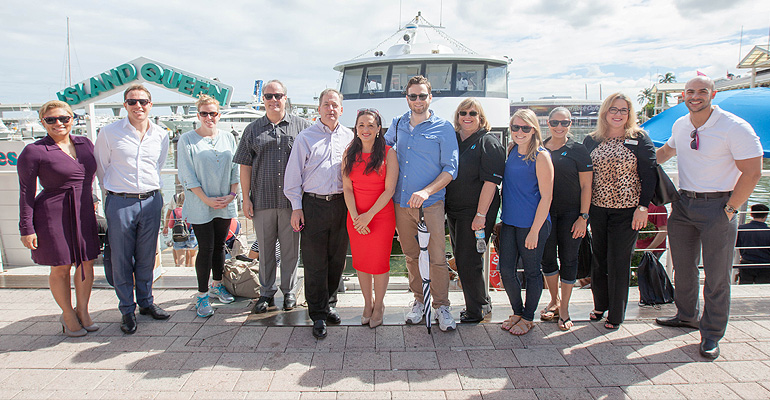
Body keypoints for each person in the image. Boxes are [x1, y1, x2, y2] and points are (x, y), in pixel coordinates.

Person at [656, 76, 763, 359]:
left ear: (712, 94)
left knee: (717, 275)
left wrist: (730, 210)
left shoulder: (734, 127)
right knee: (683, 267)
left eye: (702, 91)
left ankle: (712, 334)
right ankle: (686, 315)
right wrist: (634, 164)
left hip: (719, 207)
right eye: (690, 91)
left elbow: (753, 172)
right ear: (683, 95)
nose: (695, 96)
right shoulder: (681, 124)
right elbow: (666, 152)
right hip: (682, 205)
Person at [17, 100, 101, 337]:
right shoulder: (34, 151)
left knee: (86, 262)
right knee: (61, 265)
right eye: (51, 119)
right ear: (42, 122)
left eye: (64, 118)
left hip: (84, 209)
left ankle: (83, 310)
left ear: (72, 119)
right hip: (52, 212)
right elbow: (26, 191)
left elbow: (91, 176)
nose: (58, 123)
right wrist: (26, 227)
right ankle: (67, 314)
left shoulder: (85, 144)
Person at [384, 75, 459, 332]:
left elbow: (450, 169)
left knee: (437, 257)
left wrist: (427, 191)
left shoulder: (444, 128)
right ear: (407, 98)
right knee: (411, 256)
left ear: (430, 97)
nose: (418, 100)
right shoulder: (396, 125)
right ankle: (419, 301)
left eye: (422, 96)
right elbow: (378, 152)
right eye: (413, 96)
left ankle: (441, 305)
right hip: (401, 204)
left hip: (431, 205)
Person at [94, 84, 170, 334]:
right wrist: (113, 195)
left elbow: (157, 166)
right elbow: (102, 167)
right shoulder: (109, 133)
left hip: (150, 200)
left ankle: (146, 302)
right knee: (121, 258)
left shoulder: (160, 134)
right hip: (120, 201)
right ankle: (127, 309)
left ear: (151, 104)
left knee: (147, 255)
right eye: (132, 101)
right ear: (124, 104)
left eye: (143, 102)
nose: (138, 106)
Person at [233, 80, 310, 313]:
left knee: (289, 250)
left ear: (285, 98)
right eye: (268, 96)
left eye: (278, 95)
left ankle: (288, 291)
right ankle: (266, 293)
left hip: (292, 202)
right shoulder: (252, 129)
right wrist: (245, 199)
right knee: (265, 250)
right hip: (263, 200)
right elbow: (244, 165)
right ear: (263, 99)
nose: (273, 100)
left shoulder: (302, 127)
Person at [583, 93, 657, 331]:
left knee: (618, 261)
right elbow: (583, 176)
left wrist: (642, 208)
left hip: (627, 211)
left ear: (629, 113)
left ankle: (616, 313)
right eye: (613, 109)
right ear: (605, 112)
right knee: (600, 258)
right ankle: (600, 305)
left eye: (623, 110)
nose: (618, 114)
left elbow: (650, 175)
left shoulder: (639, 138)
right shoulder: (592, 140)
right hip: (597, 209)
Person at [285, 88, 354, 339]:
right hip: (312, 204)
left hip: (340, 204)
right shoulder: (305, 137)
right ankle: (317, 314)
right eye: (326, 105)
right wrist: (296, 208)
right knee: (314, 261)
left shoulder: (350, 137)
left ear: (341, 109)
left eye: (335, 105)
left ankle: (329, 303)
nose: (331, 109)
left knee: (337, 259)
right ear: (319, 109)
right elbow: (293, 177)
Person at [176, 94, 240, 318]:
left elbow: (235, 168)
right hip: (200, 203)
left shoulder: (228, 138)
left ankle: (217, 284)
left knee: (220, 245)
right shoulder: (187, 140)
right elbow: (186, 174)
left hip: (224, 201)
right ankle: (202, 295)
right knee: (206, 248)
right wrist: (205, 199)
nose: (209, 117)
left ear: (219, 115)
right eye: (204, 113)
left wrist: (232, 194)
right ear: (198, 115)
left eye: (213, 113)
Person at [445, 99, 505, 323]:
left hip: (477, 211)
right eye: (462, 112)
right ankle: (481, 301)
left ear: (481, 117)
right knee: (462, 259)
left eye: (472, 113)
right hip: (455, 210)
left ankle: (477, 308)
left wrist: (480, 216)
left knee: (468, 259)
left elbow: (491, 183)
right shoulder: (455, 140)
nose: (467, 116)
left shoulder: (488, 142)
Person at [498, 109, 554, 336]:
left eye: (525, 128)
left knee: (532, 271)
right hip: (509, 222)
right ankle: (518, 311)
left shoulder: (541, 156)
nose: (519, 132)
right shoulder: (511, 150)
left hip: (533, 224)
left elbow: (547, 197)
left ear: (534, 130)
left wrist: (534, 231)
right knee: (506, 270)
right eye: (515, 127)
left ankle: (529, 316)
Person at [342, 108, 398, 328]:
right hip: (355, 216)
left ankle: (380, 304)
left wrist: (369, 216)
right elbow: (347, 188)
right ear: (356, 129)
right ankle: (367, 303)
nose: (366, 129)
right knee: (362, 263)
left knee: (380, 264)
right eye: (361, 125)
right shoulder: (349, 153)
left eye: (370, 125)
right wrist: (357, 217)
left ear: (378, 129)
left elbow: (389, 190)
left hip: (381, 217)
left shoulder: (389, 153)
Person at [540, 107, 592, 331]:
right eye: (555, 123)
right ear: (548, 124)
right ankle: (554, 300)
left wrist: (583, 217)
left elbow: (586, 186)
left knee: (570, 259)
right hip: (545, 213)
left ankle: (565, 308)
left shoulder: (578, 150)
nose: (559, 127)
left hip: (572, 214)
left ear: (570, 124)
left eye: (564, 123)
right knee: (548, 258)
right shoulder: (540, 148)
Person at [736, 204, 770, 284]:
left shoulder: (741, 229)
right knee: (763, 288)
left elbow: (737, 245)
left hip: (746, 263)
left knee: (744, 287)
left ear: (751, 214)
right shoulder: (768, 231)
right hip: (765, 265)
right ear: (766, 215)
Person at [164, 193, 198, 268]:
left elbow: (170, 225)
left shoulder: (174, 212)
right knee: (192, 256)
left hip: (179, 237)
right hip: (191, 236)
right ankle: (191, 273)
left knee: (180, 259)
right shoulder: (191, 210)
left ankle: (180, 274)